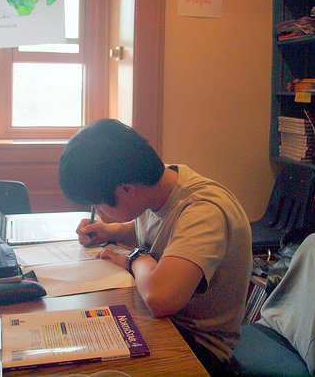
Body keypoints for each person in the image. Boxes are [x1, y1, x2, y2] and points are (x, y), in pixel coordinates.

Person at [58, 119, 252, 376]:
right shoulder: (157, 187)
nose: (98, 211)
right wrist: (110, 231)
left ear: (126, 189)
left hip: (199, 346)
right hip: (163, 323)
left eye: (98, 204)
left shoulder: (204, 210)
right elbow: (156, 230)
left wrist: (134, 257)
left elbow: (160, 298)